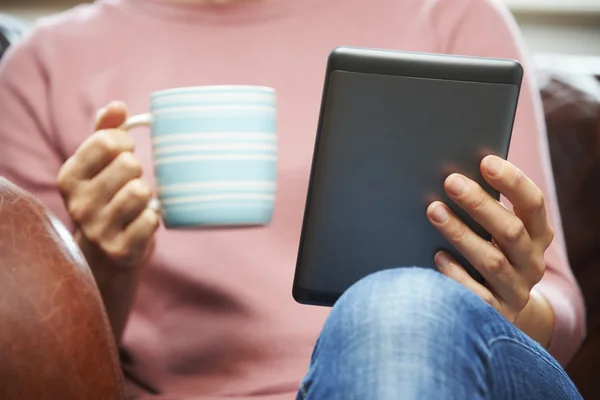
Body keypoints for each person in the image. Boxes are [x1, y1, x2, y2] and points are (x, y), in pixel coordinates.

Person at [0, 0, 586, 398]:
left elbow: (559, 312)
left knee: (395, 306)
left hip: (462, 374)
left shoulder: (450, 14)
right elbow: (37, 363)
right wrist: (102, 261)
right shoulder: (43, 67)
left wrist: (509, 301)